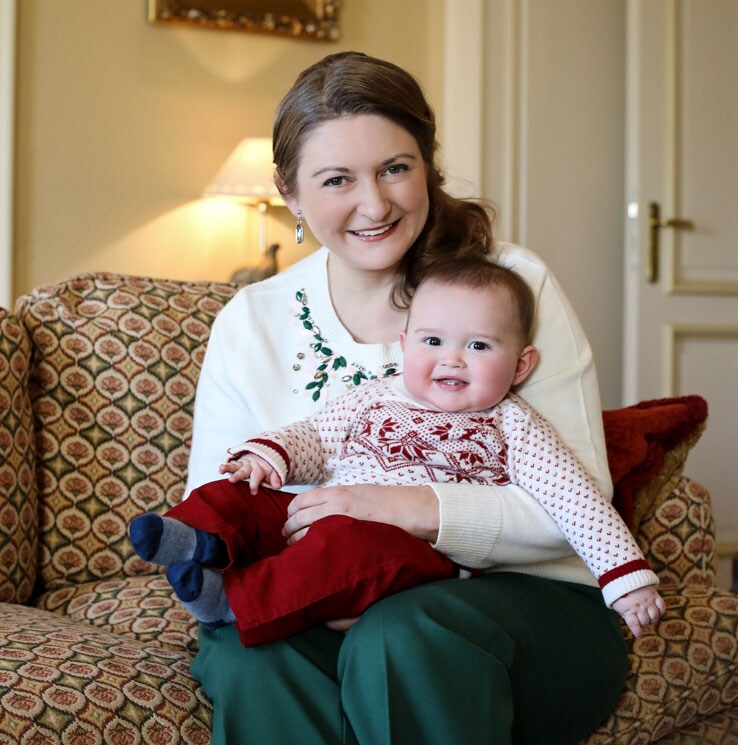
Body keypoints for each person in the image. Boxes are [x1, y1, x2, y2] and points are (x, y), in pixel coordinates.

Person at [179, 51, 637, 745]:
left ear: (428, 165)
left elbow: (574, 501)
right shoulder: (251, 319)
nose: (375, 203)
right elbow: (221, 499)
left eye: (395, 167)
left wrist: (402, 507)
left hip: (526, 600)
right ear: (291, 193)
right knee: (249, 654)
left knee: (401, 635)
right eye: (336, 179)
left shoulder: (509, 282)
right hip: (319, 595)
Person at [130, 258, 664, 647]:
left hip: (415, 553)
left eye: (478, 346)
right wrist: (268, 457)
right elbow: (314, 437)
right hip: (316, 512)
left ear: (521, 366)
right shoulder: (375, 395)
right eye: (433, 341)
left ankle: (233, 603)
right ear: (405, 344)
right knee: (241, 493)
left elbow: (577, 502)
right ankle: (193, 537)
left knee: (346, 549)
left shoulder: (513, 425)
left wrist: (627, 581)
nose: (452, 360)